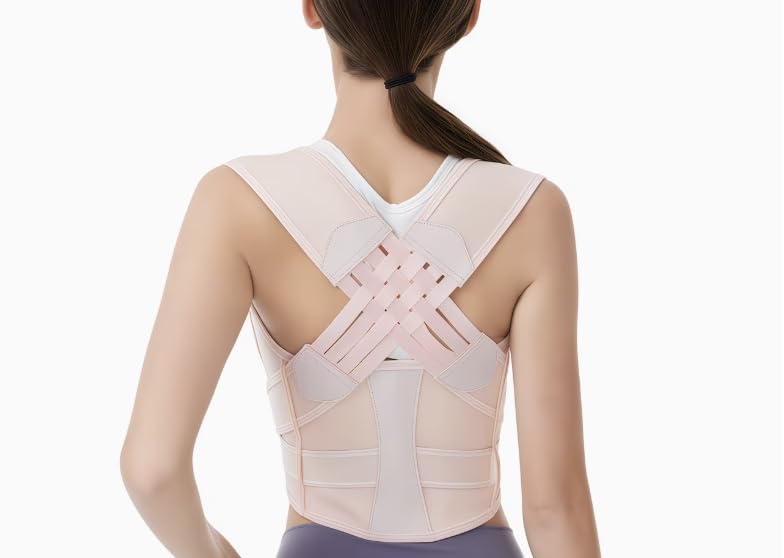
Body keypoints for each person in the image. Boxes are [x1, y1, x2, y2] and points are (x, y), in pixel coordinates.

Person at [120, 1, 601, 557]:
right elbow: (555, 509)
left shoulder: (238, 201)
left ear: (312, 10)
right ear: (467, 16)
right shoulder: (531, 209)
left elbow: (152, 470)